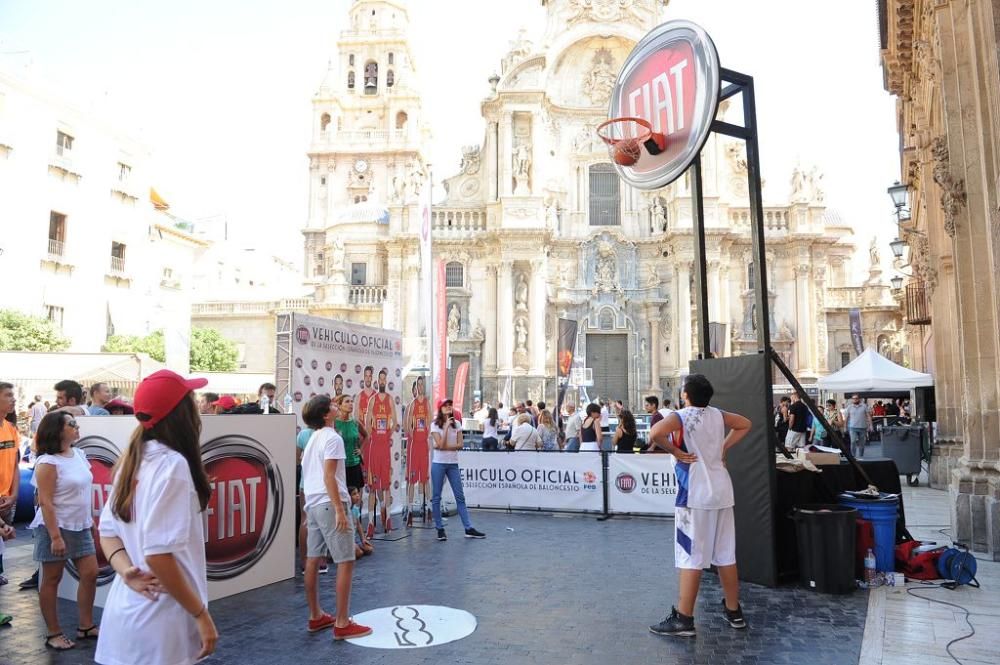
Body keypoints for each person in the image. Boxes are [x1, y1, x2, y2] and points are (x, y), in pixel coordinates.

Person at [95, 369, 218, 664]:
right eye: (191, 399)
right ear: (181, 414)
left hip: (128, 614)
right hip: (161, 621)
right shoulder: (171, 465)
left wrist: (125, 570)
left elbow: (107, 532)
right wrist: (201, 614)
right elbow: (158, 555)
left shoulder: (133, 461)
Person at [647, 374, 751, 638]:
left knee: (689, 556)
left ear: (686, 395)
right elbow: (745, 424)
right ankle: (733, 610)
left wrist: (675, 451)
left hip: (694, 494)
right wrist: (724, 447)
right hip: (722, 492)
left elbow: (655, 432)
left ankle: (684, 618)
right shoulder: (718, 414)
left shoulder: (682, 416)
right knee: (726, 555)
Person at [300, 394, 372, 640]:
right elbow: (330, 476)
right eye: (332, 405)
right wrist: (340, 510)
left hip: (314, 504)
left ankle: (315, 615)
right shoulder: (332, 438)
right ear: (326, 414)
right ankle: (342, 622)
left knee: (312, 559)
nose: (337, 406)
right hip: (330, 503)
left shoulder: (313, 439)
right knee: (346, 560)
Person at [30, 411, 100, 650]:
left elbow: (82, 493)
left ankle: (86, 626)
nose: (77, 426)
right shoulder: (48, 462)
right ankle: (53, 633)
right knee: (51, 579)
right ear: (58, 430)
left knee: (90, 573)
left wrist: (88, 521)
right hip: (54, 527)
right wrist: (55, 536)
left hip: (79, 525)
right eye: (71, 424)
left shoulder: (79, 454)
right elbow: (45, 501)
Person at [430, 399, 485, 541]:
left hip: (453, 464)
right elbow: (439, 444)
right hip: (439, 463)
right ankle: (440, 529)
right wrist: (447, 427)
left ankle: (468, 528)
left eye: (450, 405)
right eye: (446, 405)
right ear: (440, 408)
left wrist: (444, 446)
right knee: (436, 497)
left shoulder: (458, 424)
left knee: (460, 496)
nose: (449, 407)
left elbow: (460, 445)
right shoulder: (435, 425)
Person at [364, 368, 396, 534]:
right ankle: (370, 522)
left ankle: (387, 517)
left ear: (386, 381)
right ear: (377, 381)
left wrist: (387, 434)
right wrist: (372, 435)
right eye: (380, 379)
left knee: (386, 485)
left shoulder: (389, 400)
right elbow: (367, 420)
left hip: (385, 449)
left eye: (384, 379)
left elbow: (395, 420)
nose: (382, 382)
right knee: (372, 486)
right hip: (374, 447)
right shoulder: (373, 400)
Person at [403, 377, 431, 526]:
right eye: (416, 386)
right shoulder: (410, 406)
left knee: (424, 477)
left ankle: (425, 508)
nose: (418, 389)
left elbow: (429, 423)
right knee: (411, 479)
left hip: (423, 445)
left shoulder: (427, 403)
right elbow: (406, 427)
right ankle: (409, 510)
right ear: (413, 390)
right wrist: (414, 435)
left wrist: (426, 437)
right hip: (414, 445)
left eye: (421, 385)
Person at [0, 383, 21, 587]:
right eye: (8, 395)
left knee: (3, 540)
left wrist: (14, 495)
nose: (13, 399)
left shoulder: (11, 428)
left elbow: (15, 465)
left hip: (8, 498)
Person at [349, 486, 373, 558]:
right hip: (347, 541)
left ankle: (356, 547)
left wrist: (363, 539)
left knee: (369, 549)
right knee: (359, 553)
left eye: (357, 493)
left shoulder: (355, 509)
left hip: (354, 540)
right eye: (354, 494)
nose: (357, 495)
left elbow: (359, 525)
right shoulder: (345, 510)